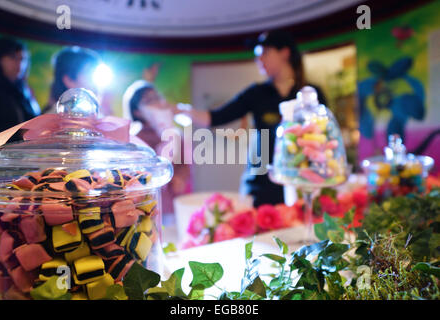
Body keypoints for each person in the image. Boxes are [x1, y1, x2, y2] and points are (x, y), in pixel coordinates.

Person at [175, 30, 327, 207]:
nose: (259, 60)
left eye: (264, 53)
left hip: (300, 183)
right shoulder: (256, 93)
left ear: (284, 53)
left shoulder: (310, 94)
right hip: (259, 185)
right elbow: (215, 117)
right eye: (257, 56)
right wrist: (179, 110)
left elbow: (323, 136)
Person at [122, 80, 193, 217]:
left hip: (172, 204)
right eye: (148, 101)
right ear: (136, 111)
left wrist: (180, 177)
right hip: (143, 205)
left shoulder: (174, 134)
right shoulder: (133, 139)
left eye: (157, 98)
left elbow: (185, 165)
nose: (156, 103)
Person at [0, 37, 40, 138]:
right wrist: (19, 134)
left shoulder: (24, 91)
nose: (19, 64)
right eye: (13, 57)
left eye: (22, 59)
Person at [43, 46, 100, 113]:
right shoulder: (57, 118)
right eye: (88, 73)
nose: (95, 82)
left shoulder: (89, 113)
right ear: (68, 80)